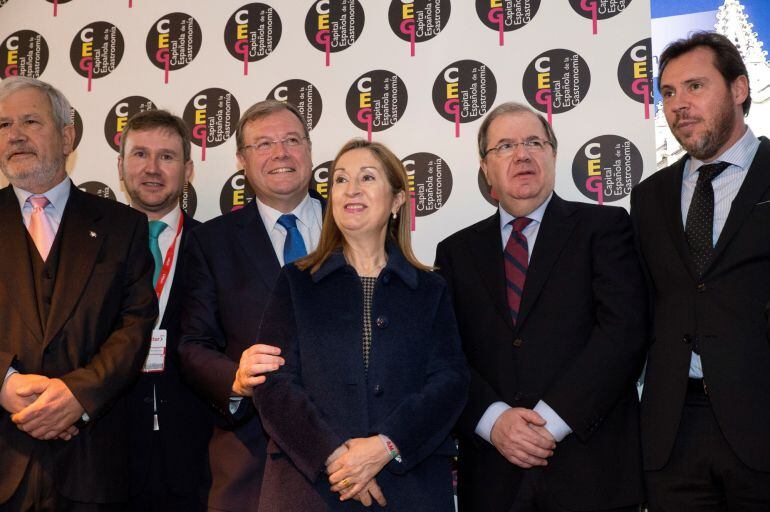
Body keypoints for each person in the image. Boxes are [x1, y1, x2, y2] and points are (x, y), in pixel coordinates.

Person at [435, 102, 647, 512]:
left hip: (592, 474)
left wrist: (549, 423)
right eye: (506, 146)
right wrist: (493, 420)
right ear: (485, 167)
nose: (523, 154)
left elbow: (623, 334)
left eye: (535, 142)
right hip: (494, 477)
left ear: (552, 153)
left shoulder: (604, 228)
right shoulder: (455, 252)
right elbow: (446, 354)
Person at [251, 138, 469, 511]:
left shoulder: (429, 288)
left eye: (367, 178)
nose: (351, 189)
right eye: (339, 180)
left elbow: (450, 383)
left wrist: (387, 445)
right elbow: (272, 382)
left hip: (409, 488)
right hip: (310, 490)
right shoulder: (296, 282)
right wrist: (336, 459)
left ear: (398, 200)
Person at [0, 77, 157, 510]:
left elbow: (135, 325)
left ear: (67, 136)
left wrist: (77, 396)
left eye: (31, 121)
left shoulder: (122, 226)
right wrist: (4, 382)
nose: (15, 135)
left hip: (92, 463)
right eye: (4, 124)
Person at [631, 31, 770, 511]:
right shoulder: (649, 197)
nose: (678, 105)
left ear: (738, 89)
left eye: (695, 87)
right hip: (674, 434)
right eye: (668, 93)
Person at [178, 100, 323, 512]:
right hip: (252, 461)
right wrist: (237, 381)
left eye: (291, 140)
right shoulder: (211, 243)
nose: (280, 153)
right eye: (263, 144)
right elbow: (193, 345)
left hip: (349, 456)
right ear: (242, 161)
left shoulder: (354, 226)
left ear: (309, 150)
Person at [119, 109, 213, 511]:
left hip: (197, 451)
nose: (152, 168)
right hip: (111, 448)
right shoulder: (91, 250)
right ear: (120, 166)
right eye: (139, 154)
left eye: (167, 156)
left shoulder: (217, 247)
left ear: (187, 169)